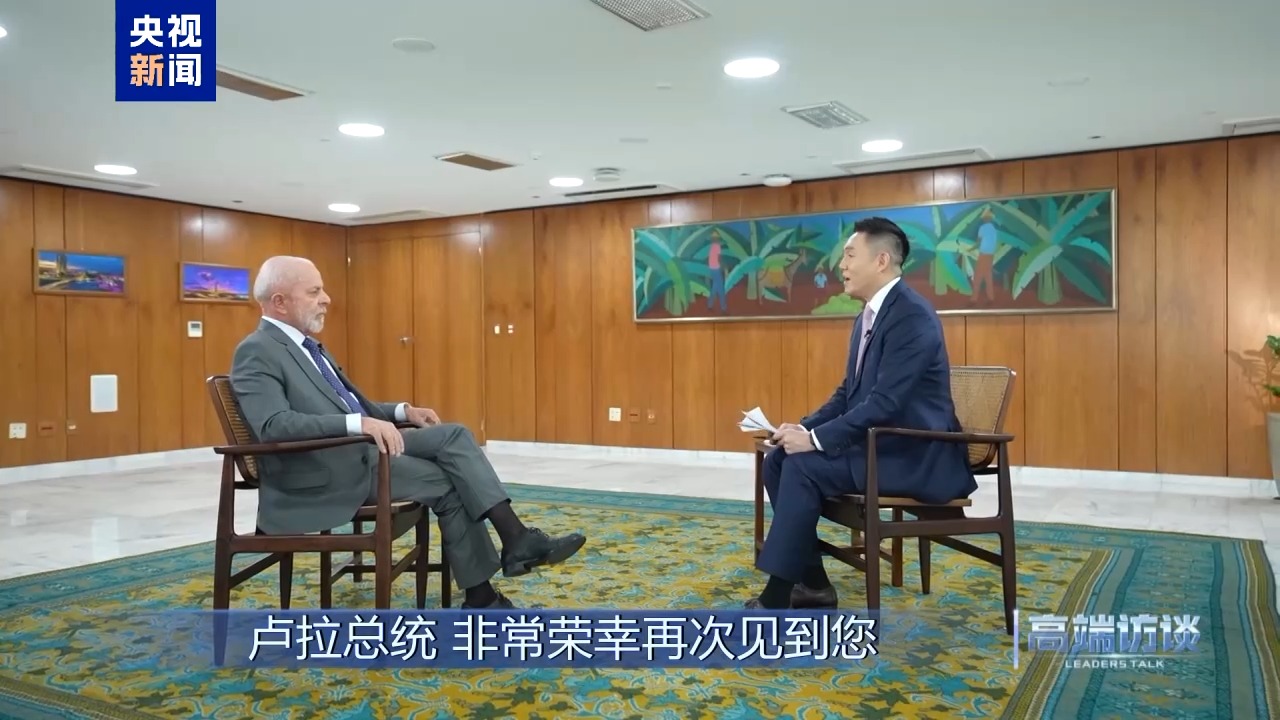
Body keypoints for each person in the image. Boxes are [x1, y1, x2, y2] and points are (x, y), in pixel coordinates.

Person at [229, 255, 586, 609]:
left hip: (357, 451)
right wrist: (359, 424)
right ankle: (490, 583)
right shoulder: (257, 350)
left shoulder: (307, 346)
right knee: (449, 481)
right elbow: (273, 425)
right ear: (280, 302)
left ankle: (514, 543)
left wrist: (403, 411)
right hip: (323, 471)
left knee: (453, 435)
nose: (326, 299)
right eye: (314, 292)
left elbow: (350, 404)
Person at [748, 217, 975, 610]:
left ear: (881, 260)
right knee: (779, 460)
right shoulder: (868, 316)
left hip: (913, 453)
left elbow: (886, 403)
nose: (842, 265)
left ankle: (777, 596)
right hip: (878, 444)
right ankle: (814, 583)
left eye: (850, 255)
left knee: (802, 467)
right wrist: (802, 427)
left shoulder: (912, 316)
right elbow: (847, 395)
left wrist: (815, 441)